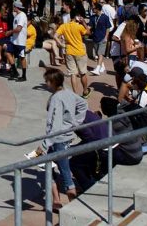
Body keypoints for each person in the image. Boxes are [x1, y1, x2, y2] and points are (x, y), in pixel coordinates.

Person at [31, 69, 87, 210]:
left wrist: (44, 145)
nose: (46, 84)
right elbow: (83, 104)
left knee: (65, 172)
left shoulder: (56, 98)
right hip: (65, 137)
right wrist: (76, 122)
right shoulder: (68, 93)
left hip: (57, 140)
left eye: (47, 81)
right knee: (49, 168)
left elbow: (54, 126)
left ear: (53, 82)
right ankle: (56, 201)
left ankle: (70, 202)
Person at [56, 11, 91, 97]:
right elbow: (88, 33)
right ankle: (85, 91)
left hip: (69, 51)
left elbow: (55, 36)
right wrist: (83, 23)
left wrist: (61, 45)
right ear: (76, 17)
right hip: (80, 51)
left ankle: (75, 94)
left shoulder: (63, 26)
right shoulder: (79, 26)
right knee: (82, 72)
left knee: (73, 74)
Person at [3, 1, 29, 82]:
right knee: (7, 52)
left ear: (16, 7)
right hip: (14, 40)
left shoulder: (22, 15)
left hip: (20, 40)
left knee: (22, 57)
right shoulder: (17, 15)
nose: (13, 8)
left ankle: (24, 75)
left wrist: (9, 32)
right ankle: (14, 71)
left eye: (13, 6)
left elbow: (19, 29)